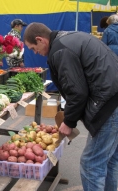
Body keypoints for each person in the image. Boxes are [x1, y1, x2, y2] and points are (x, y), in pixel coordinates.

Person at [23, 22, 118, 191]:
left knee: (91, 164)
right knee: (110, 160)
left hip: (109, 105)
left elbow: (77, 92)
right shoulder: (68, 38)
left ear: (40, 40)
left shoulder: (60, 51)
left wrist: (69, 121)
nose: (34, 52)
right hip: (113, 97)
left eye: (32, 48)